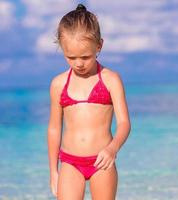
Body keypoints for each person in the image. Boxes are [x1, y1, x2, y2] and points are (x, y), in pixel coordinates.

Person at [47, 3, 131, 199]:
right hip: (69, 162)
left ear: (99, 45)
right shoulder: (59, 84)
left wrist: (113, 148)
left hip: (102, 161)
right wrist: (53, 170)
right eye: (71, 57)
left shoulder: (110, 79)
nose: (78, 63)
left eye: (85, 56)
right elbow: (53, 128)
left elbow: (125, 123)